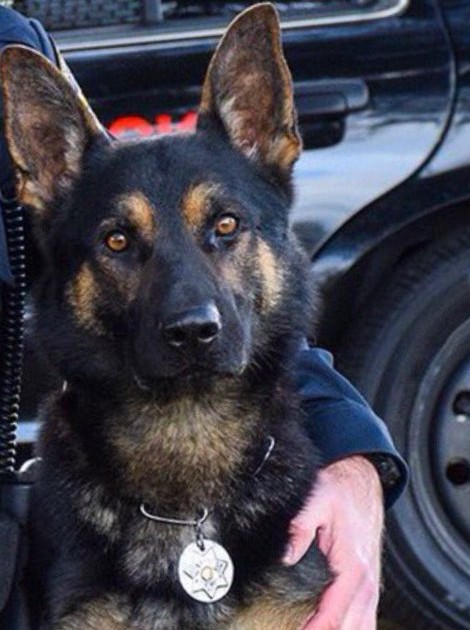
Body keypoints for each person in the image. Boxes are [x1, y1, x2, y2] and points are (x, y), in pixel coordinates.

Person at [0, 6, 407, 629]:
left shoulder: (6, 41)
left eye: (225, 228)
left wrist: (355, 457)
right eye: (120, 244)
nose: (191, 310)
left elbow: (271, 323)